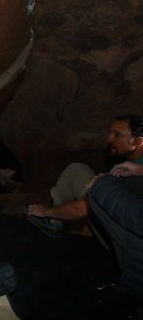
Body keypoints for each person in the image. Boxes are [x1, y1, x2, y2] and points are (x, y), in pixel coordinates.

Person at [27, 114, 143, 294]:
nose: (108, 139)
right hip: (127, 228)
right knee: (80, 172)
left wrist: (46, 212)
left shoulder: (134, 180)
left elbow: (83, 207)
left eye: (117, 135)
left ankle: (54, 220)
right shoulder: (137, 165)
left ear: (136, 141)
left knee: (77, 172)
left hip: (127, 243)